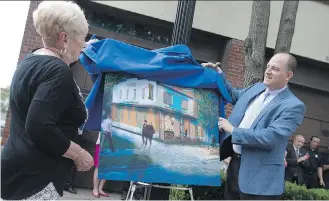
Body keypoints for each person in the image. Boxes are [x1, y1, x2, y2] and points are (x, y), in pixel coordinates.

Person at [1, 1, 97, 200]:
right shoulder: (57, 71)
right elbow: (38, 126)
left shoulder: (30, 59)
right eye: (81, 38)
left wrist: (84, 46)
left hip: (16, 170)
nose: (84, 45)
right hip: (36, 179)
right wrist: (79, 154)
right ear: (64, 38)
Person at [203, 53, 306, 200]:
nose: (268, 71)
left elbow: (270, 137)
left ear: (288, 75)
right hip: (235, 166)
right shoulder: (257, 88)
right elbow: (233, 94)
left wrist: (233, 130)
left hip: (261, 181)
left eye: (275, 69)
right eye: (268, 66)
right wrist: (219, 74)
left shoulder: (293, 106)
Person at [92, 133, 109, 198]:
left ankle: (100, 189)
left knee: (107, 167)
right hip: (102, 143)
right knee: (98, 167)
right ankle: (95, 189)